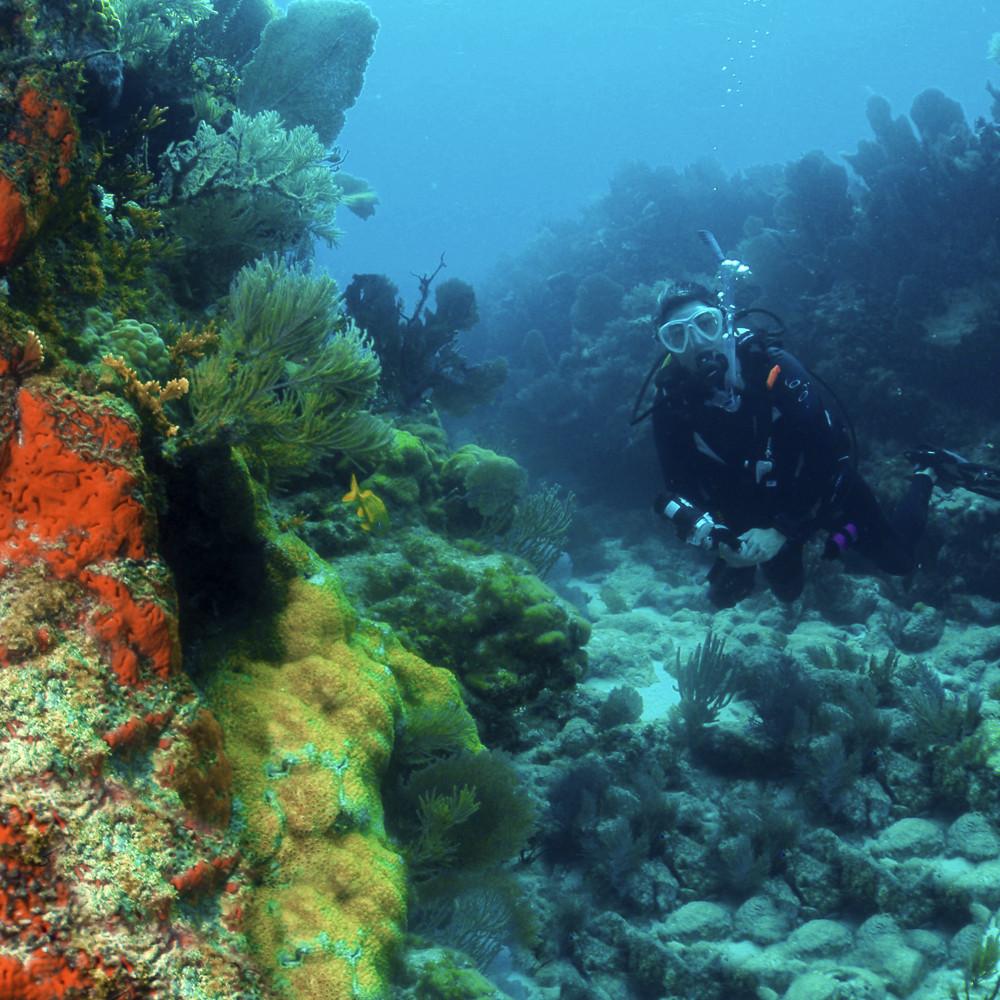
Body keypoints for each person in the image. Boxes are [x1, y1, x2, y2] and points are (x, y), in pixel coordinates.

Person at [649, 283, 967, 608]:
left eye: (705, 323)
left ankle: (926, 471)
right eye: (677, 335)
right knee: (785, 592)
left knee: (898, 560)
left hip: (818, 488)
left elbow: (830, 450)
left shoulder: (772, 366)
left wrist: (781, 529)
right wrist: (714, 536)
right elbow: (678, 485)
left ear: (724, 320)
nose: (697, 342)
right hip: (750, 507)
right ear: (666, 345)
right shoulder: (670, 403)